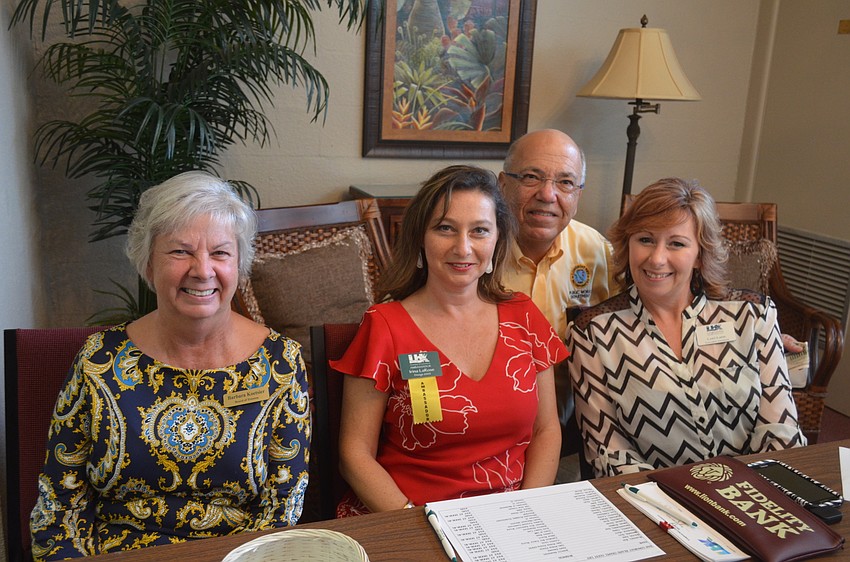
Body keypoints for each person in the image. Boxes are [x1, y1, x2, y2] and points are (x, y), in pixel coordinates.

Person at [30, 171, 310, 560]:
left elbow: (283, 508)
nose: (202, 269)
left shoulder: (281, 363)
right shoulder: (99, 360)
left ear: (239, 265)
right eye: (180, 251)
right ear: (148, 264)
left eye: (220, 252)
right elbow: (59, 503)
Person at [334, 165, 567, 516]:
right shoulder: (385, 326)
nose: (463, 247)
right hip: (410, 517)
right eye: (445, 228)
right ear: (420, 238)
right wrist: (421, 524)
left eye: (479, 231)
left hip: (513, 518)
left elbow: (547, 429)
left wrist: (527, 512)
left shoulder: (525, 316)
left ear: (497, 240)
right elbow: (354, 455)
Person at [567, 178, 806, 478]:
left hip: (755, 494)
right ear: (627, 244)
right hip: (659, 504)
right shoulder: (592, 333)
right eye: (645, 239)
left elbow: (781, 429)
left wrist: (749, 492)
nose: (657, 258)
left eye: (676, 243)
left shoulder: (754, 314)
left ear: (700, 255)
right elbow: (609, 451)